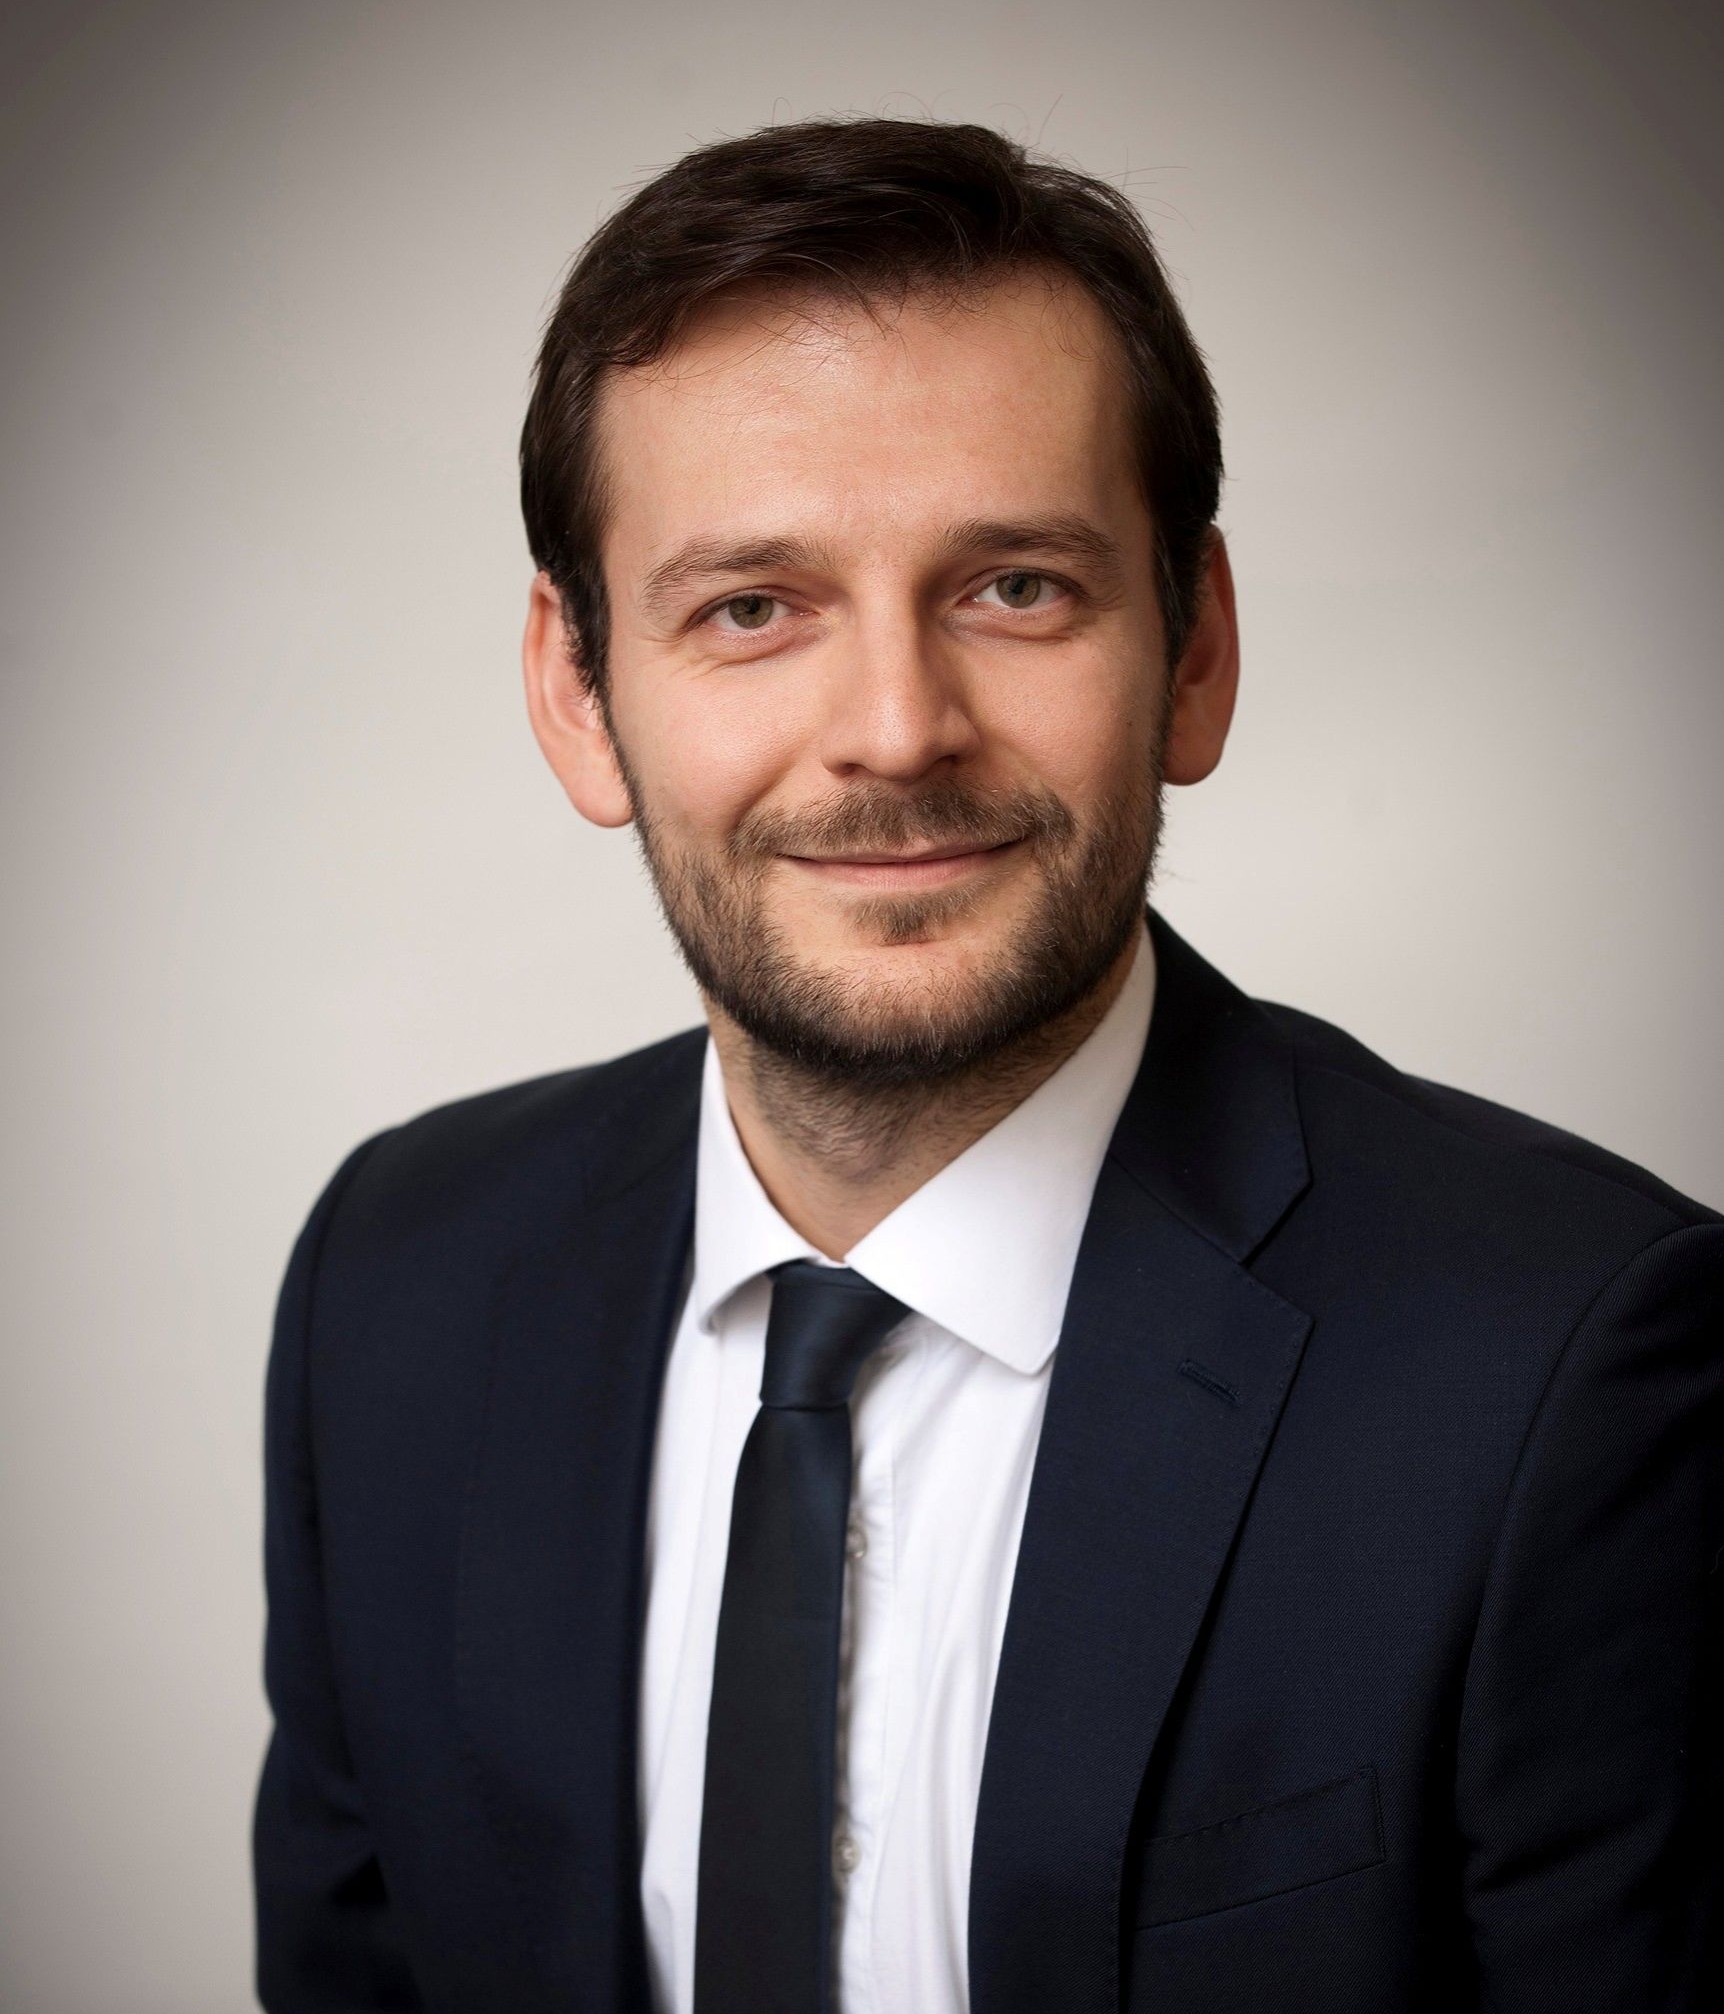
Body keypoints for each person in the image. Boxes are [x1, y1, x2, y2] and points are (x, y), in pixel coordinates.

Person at [251, 115, 1723, 2014]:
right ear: (577, 691)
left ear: (1195, 652)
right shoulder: (394, 1283)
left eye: (1014, 587)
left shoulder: (1572, 1367)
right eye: (752, 607)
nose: (895, 729)